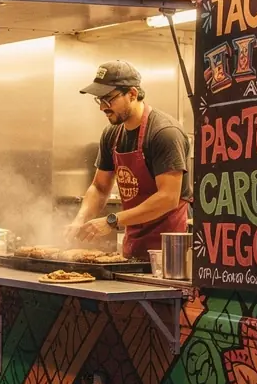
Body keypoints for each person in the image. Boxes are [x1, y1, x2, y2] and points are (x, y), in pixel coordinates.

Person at [68, 60, 191, 259]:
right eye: (99, 100)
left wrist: (111, 220)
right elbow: (100, 187)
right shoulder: (112, 134)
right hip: (133, 243)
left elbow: (168, 198)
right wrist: (79, 219)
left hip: (169, 251)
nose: (102, 108)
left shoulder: (164, 133)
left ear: (132, 94)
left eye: (108, 99)